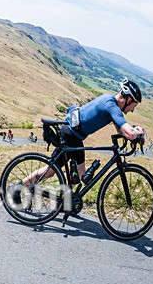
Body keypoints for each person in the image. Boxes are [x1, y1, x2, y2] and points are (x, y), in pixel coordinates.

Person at [10, 78, 145, 201]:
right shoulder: (112, 107)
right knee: (51, 170)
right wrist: (138, 133)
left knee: (81, 175)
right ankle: (17, 188)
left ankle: (67, 200)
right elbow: (130, 134)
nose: (133, 110)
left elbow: (123, 131)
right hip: (70, 135)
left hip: (75, 136)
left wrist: (132, 132)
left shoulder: (109, 100)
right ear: (127, 99)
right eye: (134, 105)